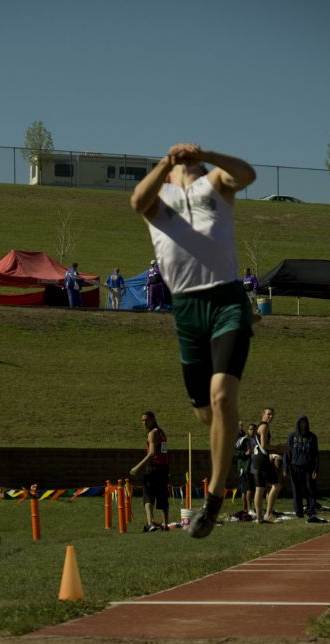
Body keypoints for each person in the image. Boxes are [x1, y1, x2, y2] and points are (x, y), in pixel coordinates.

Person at [130, 142, 256, 538]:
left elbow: (247, 175)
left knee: (222, 396)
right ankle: (225, 437)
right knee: (206, 414)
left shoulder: (215, 183)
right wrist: (166, 160)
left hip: (227, 302)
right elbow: (136, 201)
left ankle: (215, 497)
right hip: (187, 313)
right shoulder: (158, 196)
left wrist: (209, 153)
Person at [129, 411, 169, 531]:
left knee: (148, 495)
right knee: (162, 495)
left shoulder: (152, 434)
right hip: (163, 468)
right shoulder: (162, 433)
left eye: (146, 420)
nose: (144, 423)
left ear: (153, 419)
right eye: (142, 420)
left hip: (153, 468)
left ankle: (150, 523)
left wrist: (138, 467)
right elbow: (163, 452)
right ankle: (165, 524)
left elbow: (152, 453)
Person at [282, 415, 325, 522]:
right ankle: (299, 512)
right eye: (301, 423)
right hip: (294, 467)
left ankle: (311, 510)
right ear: (298, 424)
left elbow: (315, 454)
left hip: (308, 467)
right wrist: (285, 466)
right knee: (296, 490)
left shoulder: (312, 437)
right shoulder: (292, 436)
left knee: (310, 489)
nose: (303, 425)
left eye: (305, 423)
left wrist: (315, 469)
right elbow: (287, 452)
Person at [253, 407, 281, 523]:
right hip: (262, 459)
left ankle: (259, 517)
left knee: (259, 488)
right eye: (268, 414)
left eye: (272, 415)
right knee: (276, 485)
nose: (270, 416)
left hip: (256, 459)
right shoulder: (264, 426)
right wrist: (277, 447)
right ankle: (268, 514)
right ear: (263, 414)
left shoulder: (259, 426)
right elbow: (264, 445)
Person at [235, 422, 257, 515]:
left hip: (254, 467)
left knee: (249, 489)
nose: (253, 431)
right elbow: (235, 452)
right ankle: (249, 509)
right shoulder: (244, 440)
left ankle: (246, 509)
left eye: (254, 429)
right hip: (245, 468)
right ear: (248, 430)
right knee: (248, 489)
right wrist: (245, 453)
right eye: (251, 429)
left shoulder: (256, 440)